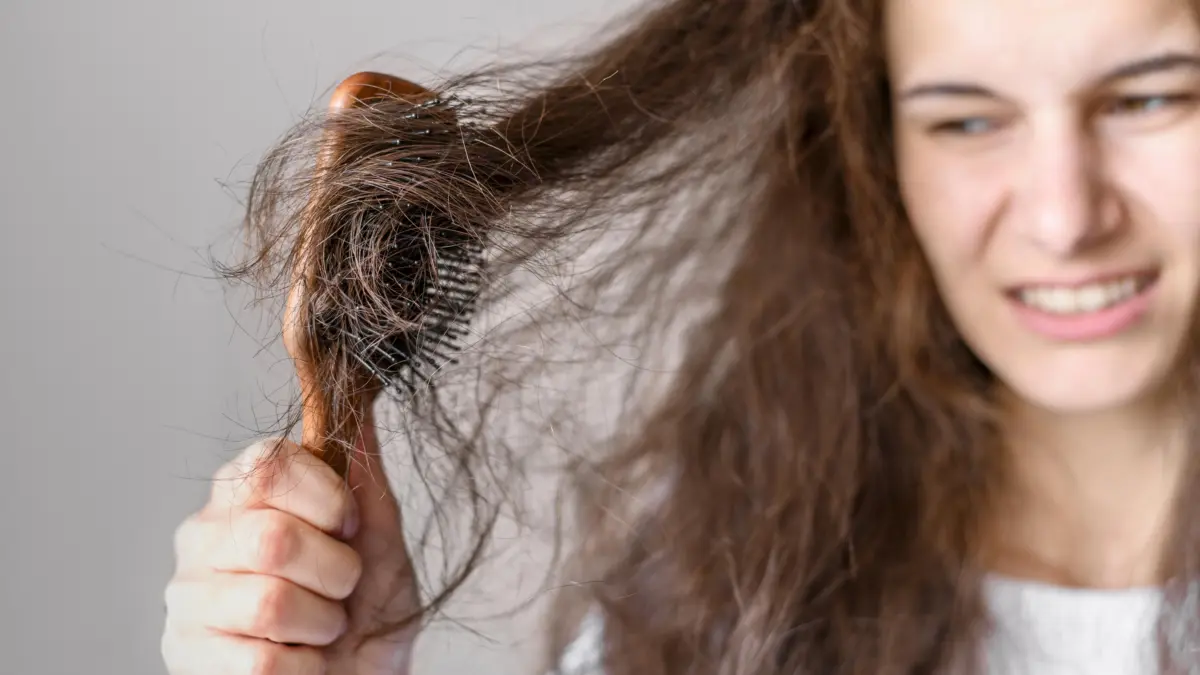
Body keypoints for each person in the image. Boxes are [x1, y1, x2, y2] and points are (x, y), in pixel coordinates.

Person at [161, 0, 1200, 672]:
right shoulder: (725, 588)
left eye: (1150, 97)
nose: (1067, 218)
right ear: (879, 152)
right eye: (965, 120)